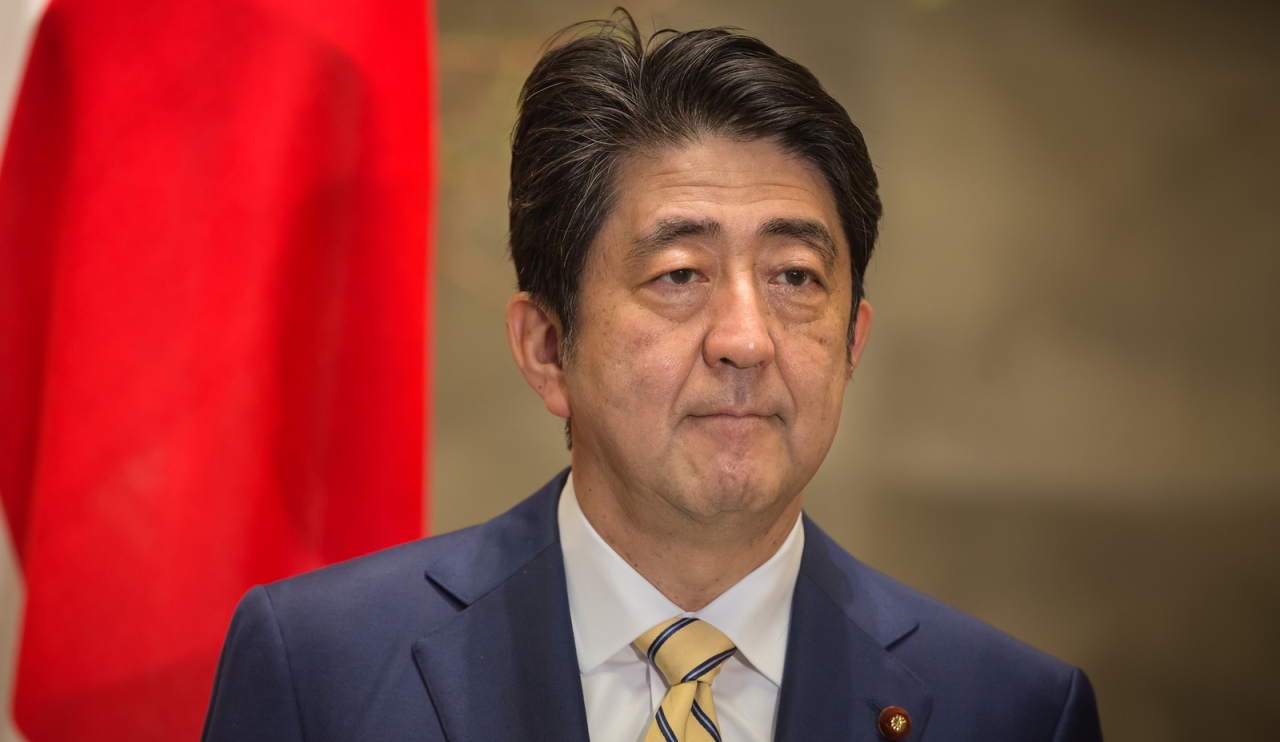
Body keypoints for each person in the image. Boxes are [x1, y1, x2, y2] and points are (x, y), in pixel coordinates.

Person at [202, 12, 1103, 742]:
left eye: (795, 277)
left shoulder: (1014, 711)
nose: (746, 340)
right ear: (547, 348)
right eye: (680, 275)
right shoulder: (322, 668)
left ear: (853, 340)